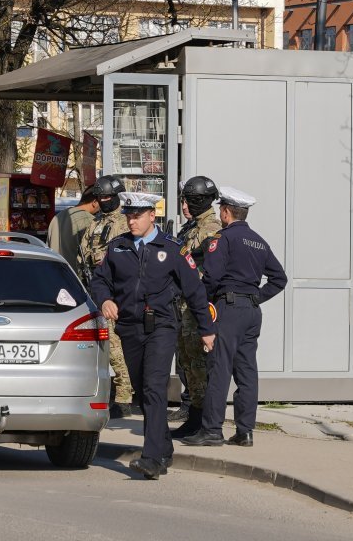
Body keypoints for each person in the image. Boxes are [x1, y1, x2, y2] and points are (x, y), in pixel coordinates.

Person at [90, 192, 215, 479]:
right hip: (129, 328)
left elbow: (195, 292)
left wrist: (207, 329)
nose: (131, 221)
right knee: (144, 395)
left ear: (151, 216)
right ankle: (165, 448)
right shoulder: (118, 247)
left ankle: (152, 458)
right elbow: (100, 281)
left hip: (161, 326)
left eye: (137, 216)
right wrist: (105, 300)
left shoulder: (172, 248)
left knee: (154, 388)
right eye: (128, 216)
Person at [182, 187, 287, 448]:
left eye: (221, 210)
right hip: (251, 312)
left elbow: (213, 277)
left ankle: (212, 430)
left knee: (219, 369)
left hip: (227, 310)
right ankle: (245, 431)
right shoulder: (259, 241)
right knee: (247, 371)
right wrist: (255, 297)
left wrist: (201, 303)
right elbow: (279, 279)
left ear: (227, 212)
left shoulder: (223, 238)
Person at [169, 176, 222, 439]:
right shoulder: (192, 228)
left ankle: (206, 422)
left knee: (199, 364)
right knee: (188, 363)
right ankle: (194, 416)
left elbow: (210, 272)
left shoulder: (211, 228)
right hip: (183, 305)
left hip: (196, 306)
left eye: (189, 199)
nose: (185, 205)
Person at [78, 175, 133, 419]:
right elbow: (84, 252)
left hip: (117, 290)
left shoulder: (125, 222)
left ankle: (124, 396)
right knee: (102, 344)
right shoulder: (96, 222)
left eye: (107, 197)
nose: (102, 201)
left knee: (113, 345)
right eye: (99, 198)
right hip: (96, 288)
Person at [47, 186, 99, 272]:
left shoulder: (58, 217)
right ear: (94, 202)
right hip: (74, 277)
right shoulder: (89, 220)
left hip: (54, 273)